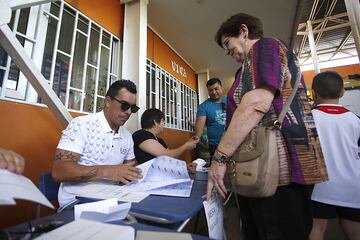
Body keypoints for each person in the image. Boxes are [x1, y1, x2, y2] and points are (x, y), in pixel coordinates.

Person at [206, 13, 328, 240]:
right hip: (259, 167)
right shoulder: (246, 67)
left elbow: (256, 103)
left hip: (278, 169)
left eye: (227, 43)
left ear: (244, 31)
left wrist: (220, 158)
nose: (227, 51)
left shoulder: (265, 47)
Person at [52, 79, 143, 208]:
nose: (128, 112)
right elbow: (59, 171)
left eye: (133, 108)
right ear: (108, 101)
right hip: (77, 202)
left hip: (113, 199)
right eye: (124, 105)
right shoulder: (81, 125)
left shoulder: (127, 136)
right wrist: (107, 171)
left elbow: (132, 168)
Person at [309, 71, 360, 240]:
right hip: (352, 185)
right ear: (342, 93)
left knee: (317, 230)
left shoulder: (308, 119)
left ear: (313, 93)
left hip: (320, 186)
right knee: (354, 232)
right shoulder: (355, 119)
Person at [132, 108, 199, 172]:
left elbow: (170, 160)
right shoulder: (141, 135)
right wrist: (186, 146)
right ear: (155, 122)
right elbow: (167, 155)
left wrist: (185, 167)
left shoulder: (160, 140)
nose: (164, 123)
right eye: (163, 121)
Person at [194, 78, 227, 159]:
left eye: (216, 89)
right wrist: (196, 139)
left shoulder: (229, 100)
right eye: (210, 90)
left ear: (221, 88)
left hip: (233, 142)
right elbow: (199, 128)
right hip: (215, 146)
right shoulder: (203, 106)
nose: (214, 92)